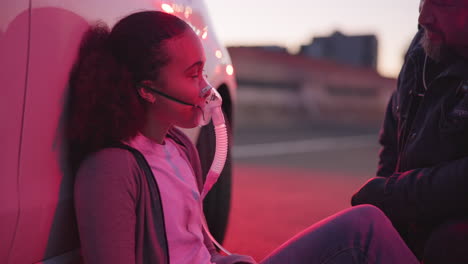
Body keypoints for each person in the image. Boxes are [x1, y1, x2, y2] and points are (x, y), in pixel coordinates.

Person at [67, 11, 419, 264]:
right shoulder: (111, 171)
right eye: (192, 75)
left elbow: (194, 249)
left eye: (203, 70)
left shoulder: (180, 147)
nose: (206, 87)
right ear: (147, 89)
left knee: (364, 223)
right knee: (363, 233)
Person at [351, 0, 468, 263]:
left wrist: (392, 195)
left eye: (444, 4)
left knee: (451, 242)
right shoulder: (422, 47)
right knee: (354, 229)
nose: (424, 16)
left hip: (446, 236)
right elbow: (394, 138)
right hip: (412, 215)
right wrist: (380, 214)